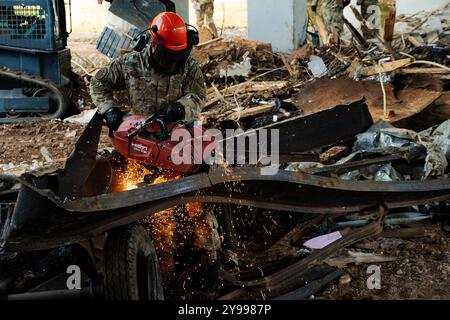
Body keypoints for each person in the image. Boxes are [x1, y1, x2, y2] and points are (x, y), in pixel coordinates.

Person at [90, 12, 220, 286]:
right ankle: (163, 274)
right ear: (153, 43)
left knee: (201, 212)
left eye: (177, 57)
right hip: (142, 152)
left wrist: (182, 107)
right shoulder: (129, 65)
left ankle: (210, 263)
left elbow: (198, 95)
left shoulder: (189, 68)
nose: (172, 63)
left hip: (181, 150)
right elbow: (98, 83)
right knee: (159, 220)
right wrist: (109, 110)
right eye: (167, 57)